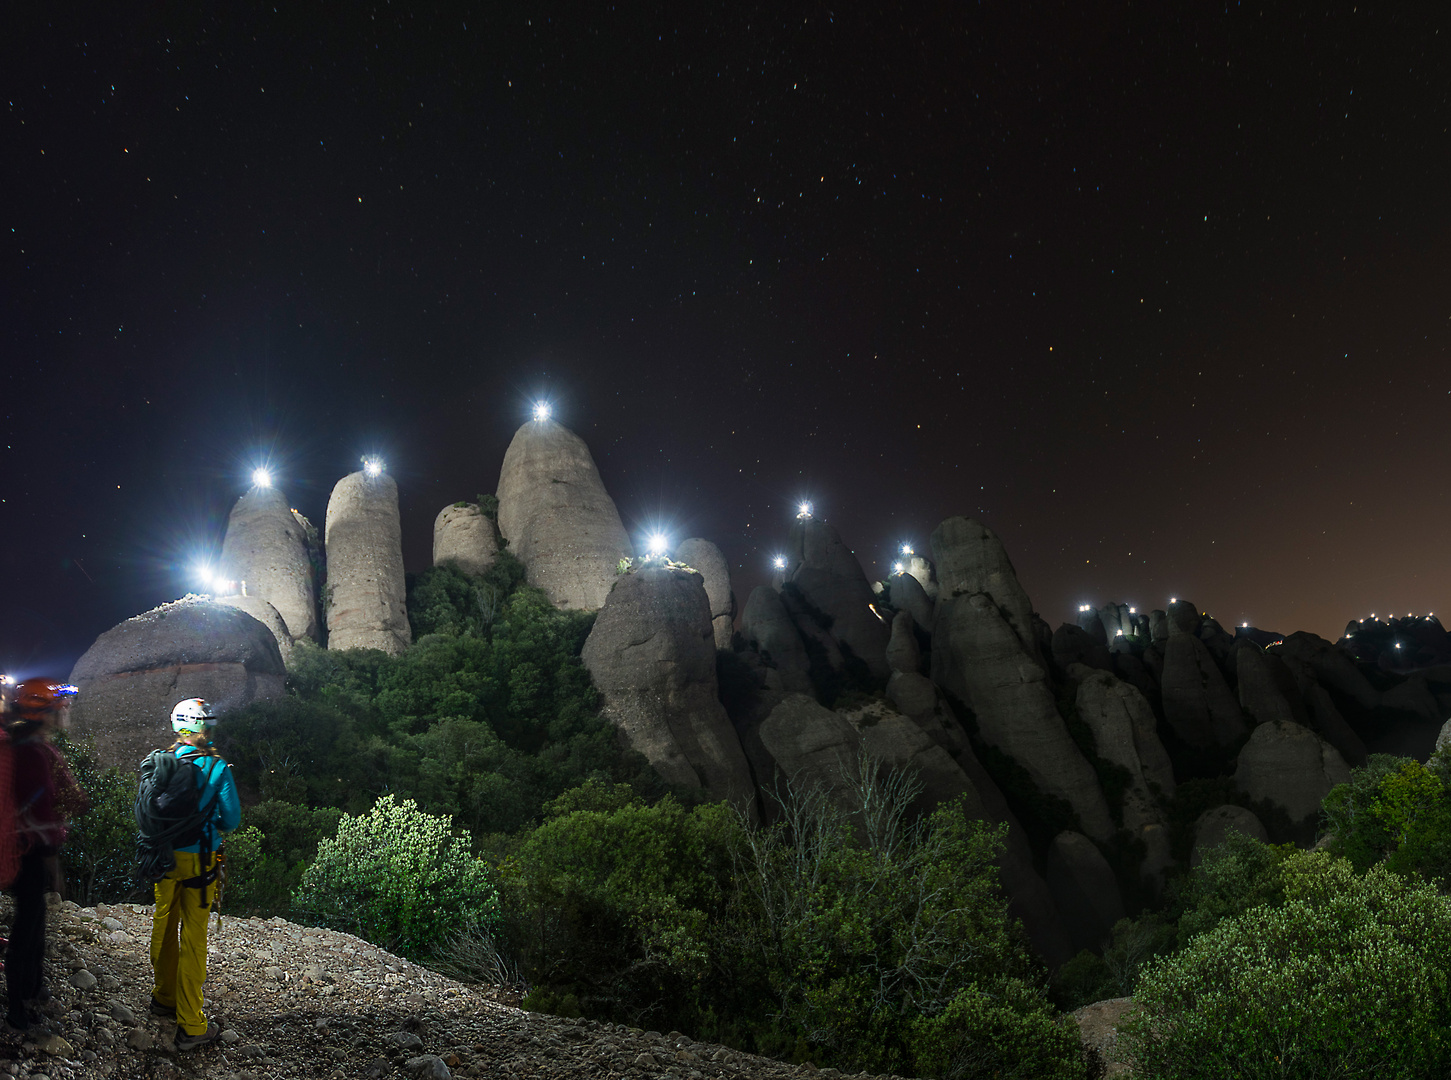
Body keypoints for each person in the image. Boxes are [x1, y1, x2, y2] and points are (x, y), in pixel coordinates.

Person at [148, 698, 239, 1052]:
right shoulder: (216, 767)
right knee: (193, 938)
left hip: (162, 859)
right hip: (200, 861)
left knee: (164, 922)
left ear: (177, 727)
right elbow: (230, 819)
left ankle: (163, 997)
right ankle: (191, 1023)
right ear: (206, 728)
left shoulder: (161, 761)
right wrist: (207, 822)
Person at [5, 679, 85, 1032]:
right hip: (30, 852)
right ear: (44, 713)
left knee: (33, 922)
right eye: (58, 709)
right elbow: (44, 807)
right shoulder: (31, 753)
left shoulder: (28, 747)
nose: (63, 715)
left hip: (27, 849)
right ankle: (20, 1009)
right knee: (28, 926)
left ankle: (32, 991)